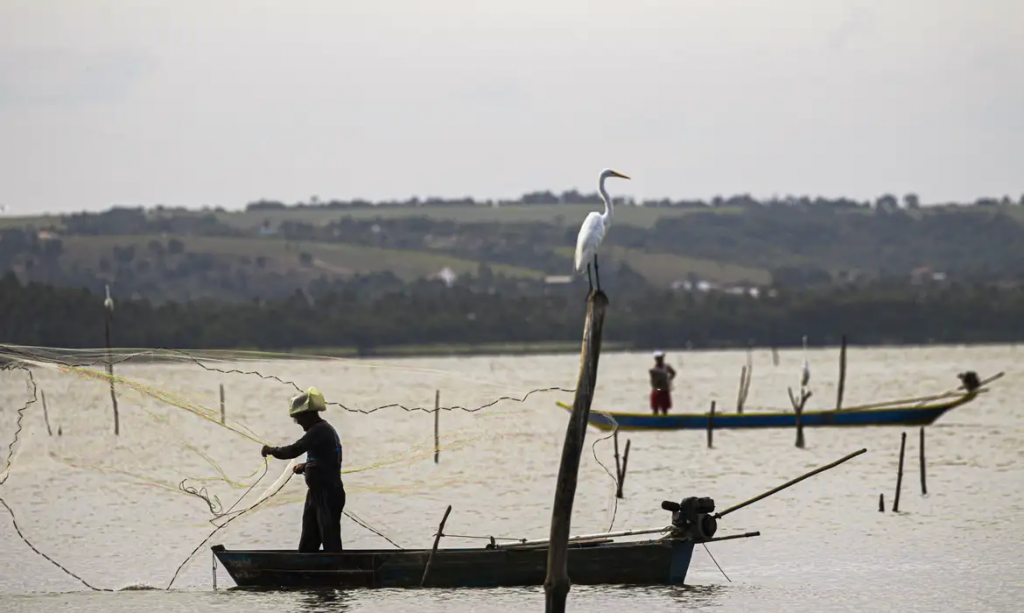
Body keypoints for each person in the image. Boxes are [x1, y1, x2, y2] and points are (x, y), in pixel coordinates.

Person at [261, 387, 346, 552]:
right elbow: (327, 459)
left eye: (298, 418)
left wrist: (271, 450)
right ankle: (305, 565)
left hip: (328, 494)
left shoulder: (320, 430)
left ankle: (337, 566)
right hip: (316, 493)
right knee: (308, 542)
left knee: (330, 541)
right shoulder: (320, 431)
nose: (298, 423)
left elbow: (294, 450)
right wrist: (306, 466)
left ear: (308, 414)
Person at [649, 350, 676, 416]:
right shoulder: (654, 370)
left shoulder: (666, 366)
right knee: (655, 409)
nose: (661, 359)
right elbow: (653, 383)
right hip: (657, 390)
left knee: (665, 409)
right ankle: (655, 419)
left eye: (661, 358)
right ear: (656, 359)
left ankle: (665, 419)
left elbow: (673, 373)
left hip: (664, 390)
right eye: (659, 358)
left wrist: (669, 379)